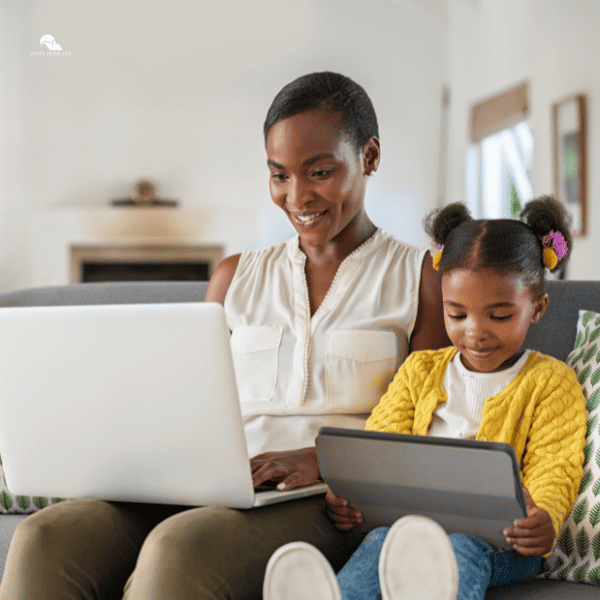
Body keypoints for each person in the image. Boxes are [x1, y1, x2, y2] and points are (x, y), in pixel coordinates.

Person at [0, 72, 451, 600]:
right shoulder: (235, 276)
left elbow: (430, 428)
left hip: (329, 499)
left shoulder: (422, 276)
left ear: (369, 157)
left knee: (181, 550)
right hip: (213, 483)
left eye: (320, 172)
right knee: (42, 536)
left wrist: (320, 459)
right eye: (279, 175)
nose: (297, 195)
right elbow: (181, 404)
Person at [262, 196, 587, 600]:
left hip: (502, 544)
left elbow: (555, 468)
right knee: (380, 542)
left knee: (458, 551)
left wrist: (544, 519)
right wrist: (349, 494)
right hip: (409, 526)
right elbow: (378, 444)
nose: (474, 332)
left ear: (537, 309)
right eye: (457, 314)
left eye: (499, 316)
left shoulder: (551, 382)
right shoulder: (421, 371)